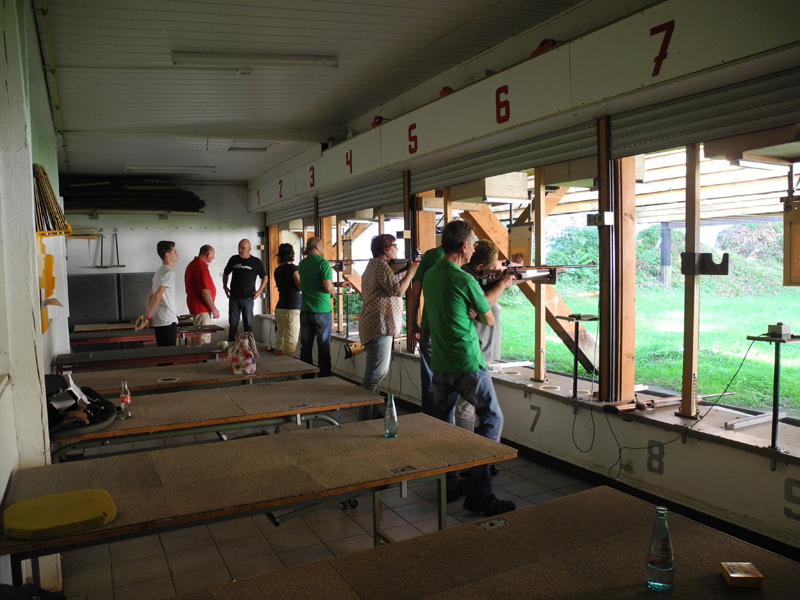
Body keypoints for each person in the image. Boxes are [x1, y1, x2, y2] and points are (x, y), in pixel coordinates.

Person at [423, 220, 515, 516]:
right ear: (464, 246)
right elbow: (488, 318)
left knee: (443, 425)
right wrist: (502, 284)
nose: (475, 248)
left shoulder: (432, 273)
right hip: (467, 362)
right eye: (473, 243)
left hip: (441, 362)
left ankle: (449, 483)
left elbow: (458, 307)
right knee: (491, 418)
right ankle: (480, 491)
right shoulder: (464, 280)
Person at [358, 234, 419, 420]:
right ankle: (364, 417)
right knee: (374, 375)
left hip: (378, 325)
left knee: (378, 374)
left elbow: (394, 283)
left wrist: (408, 268)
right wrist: (412, 271)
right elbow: (398, 290)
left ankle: (372, 412)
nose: (397, 249)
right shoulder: (380, 266)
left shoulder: (376, 266)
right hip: (380, 326)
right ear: (385, 249)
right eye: (394, 245)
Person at [456, 239, 512, 432]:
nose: (495, 269)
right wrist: (502, 284)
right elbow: (484, 306)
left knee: (472, 407)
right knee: (468, 407)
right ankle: (466, 446)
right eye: (492, 267)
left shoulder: (474, 278)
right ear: (480, 267)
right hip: (474, 352)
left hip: (480, 352)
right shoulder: (468, 280)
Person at [406, 244, 444, 417]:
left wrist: (412, 322)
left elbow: (415, 291)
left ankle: (428, 422)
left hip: (429, 326)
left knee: (429, 379)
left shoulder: (430, 255)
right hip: (455, 331)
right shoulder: (464, 258)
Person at [298, 237, 334, 377]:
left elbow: (312, 283)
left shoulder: (302, 263)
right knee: (323, 347)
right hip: (321, 310)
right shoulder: (323, 263)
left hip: (305, 309)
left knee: (306, 347)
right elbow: (327, 287)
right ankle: (324, 377)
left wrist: (336, 284)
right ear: (317, 247)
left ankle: (306, 376)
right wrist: (334, 290)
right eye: (323, 246)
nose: (324, 248)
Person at [222, 239, 267, 342]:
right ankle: (232, 347)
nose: (240, 250)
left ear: (249, 249)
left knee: (248, 326)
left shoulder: (256, 262)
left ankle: (249, 348)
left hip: (248, 298)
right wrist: (225, 286)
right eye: (239, 248)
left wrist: (259, 291)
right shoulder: (233, 259)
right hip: (234, 298)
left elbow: (265, 277)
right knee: (233, 325)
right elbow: (226, 273)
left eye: (242, 248)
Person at [144, 241, 180, 347]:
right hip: (167, 319)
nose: (177, 254)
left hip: (159, 319)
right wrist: (147, 316)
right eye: (175, 251)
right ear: (167, 255)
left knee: (163, 352)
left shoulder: (159, 272)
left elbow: (149, 295)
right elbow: (157, 295)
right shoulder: (169, 273)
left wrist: (149, 315)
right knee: (168, 353)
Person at [184, 245, 220, 345]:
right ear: (208, 254)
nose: (213, 257)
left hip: (200, 308)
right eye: (213, 255)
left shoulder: (195, 264)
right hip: (201, 309)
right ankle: (201, 355)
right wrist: (214, 309)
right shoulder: (199, 266)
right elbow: (205, 291)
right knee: (203, 339)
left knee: (199, 338)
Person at [273, 243, 301, 356]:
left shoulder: (277, 270)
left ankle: (276, 365)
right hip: (291, 308)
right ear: (291, 254)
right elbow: (300, 285)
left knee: (280, 341)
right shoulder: (292, 268)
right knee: (290, 344)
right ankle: (286, 366)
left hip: (280, 307)